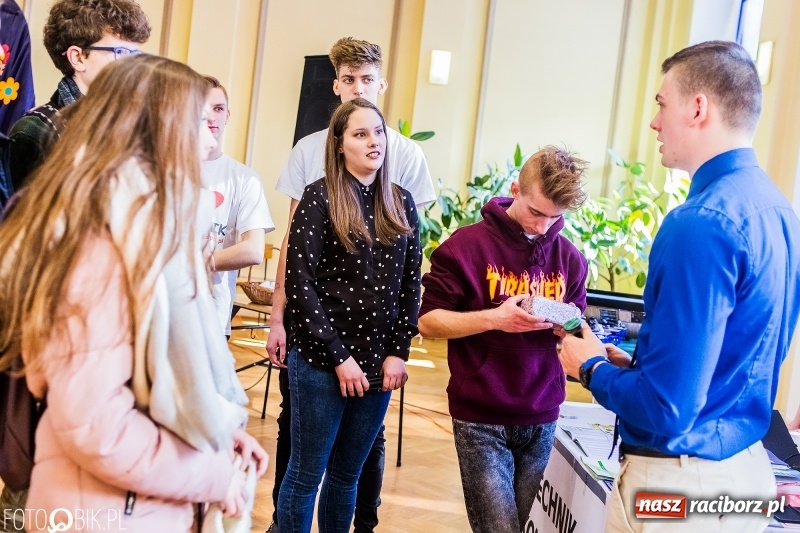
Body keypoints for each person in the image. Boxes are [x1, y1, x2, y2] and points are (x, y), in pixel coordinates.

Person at [0, 54, 268, 532]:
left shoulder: (149, 233)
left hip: (134, 504)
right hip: (101, 511)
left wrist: (218, 435)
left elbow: (165, 384)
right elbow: (95, 427)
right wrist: (211, 474)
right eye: (199, 122)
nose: (211, 140)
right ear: (158, 132)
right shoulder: (102, 245)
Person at [559, 40, 800, 533]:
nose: (654, 122)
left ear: (697, 108)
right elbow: (727, 358)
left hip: (676, 494)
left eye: (661, 104)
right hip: (743, 474)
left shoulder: (701, 223)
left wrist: (589, 368)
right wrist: (639, 365)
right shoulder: (778, 212)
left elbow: (667, 411)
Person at [265, 36, 435, 533]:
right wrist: (339, 358)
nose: (373, 142)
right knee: (305, 474)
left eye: (378, 133)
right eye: (360, 135)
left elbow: (410, 286)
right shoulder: (319, 198)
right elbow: (300, 283)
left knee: (346, 478)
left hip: (380, 361)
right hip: (322, 360)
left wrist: (397, 351)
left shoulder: (401, 201)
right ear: (339, 143)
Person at [417, 146, 588, 533]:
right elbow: (427, 322)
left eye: (556, 217)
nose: (544, 226)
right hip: (481, 416)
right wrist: (496, 319)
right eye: (536, 212)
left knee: (532, 527)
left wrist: (566, 325)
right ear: (515, 190)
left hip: (543, 414)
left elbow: (576, 327)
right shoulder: (464, 247)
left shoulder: (572, 259)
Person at [7, 0, 150, 191]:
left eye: (135, 55)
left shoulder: (131, 126)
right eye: (121, 52)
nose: (133, 66)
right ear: (78, 57)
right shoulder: (37, 131)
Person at [201, 75, 274, 337]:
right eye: (203, 107)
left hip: (210, 316)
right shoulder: (161, 171)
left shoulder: (244, 179)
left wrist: (196, 262)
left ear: (228, 115)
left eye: (218, 109)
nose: (211, 117)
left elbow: (253, 250)